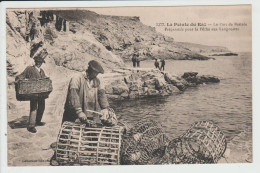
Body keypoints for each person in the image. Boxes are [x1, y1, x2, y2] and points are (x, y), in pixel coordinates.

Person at [62, 60, 113, 127]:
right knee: (74, 132)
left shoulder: (97, 81)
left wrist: (105, 108)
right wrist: (79, 112)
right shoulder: (77, 78)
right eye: (94, 73)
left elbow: (102, 94)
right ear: (89, 70)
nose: (96, 75)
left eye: (97, 73)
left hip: (89, 114)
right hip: (75, 115)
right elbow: (73, 95)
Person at [16, 49, 49, 133]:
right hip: (33, 92)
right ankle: (31, 126)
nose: (39, 63)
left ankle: (38, 121)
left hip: (41, 92)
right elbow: (22, 76)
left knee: (42, 107)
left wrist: (46, 79)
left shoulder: (41, 71)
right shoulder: (29, 69)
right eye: (38, 62)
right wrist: (18, 80)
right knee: (34, 108)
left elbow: (44, 79)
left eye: (41, 62)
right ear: (35, 62)